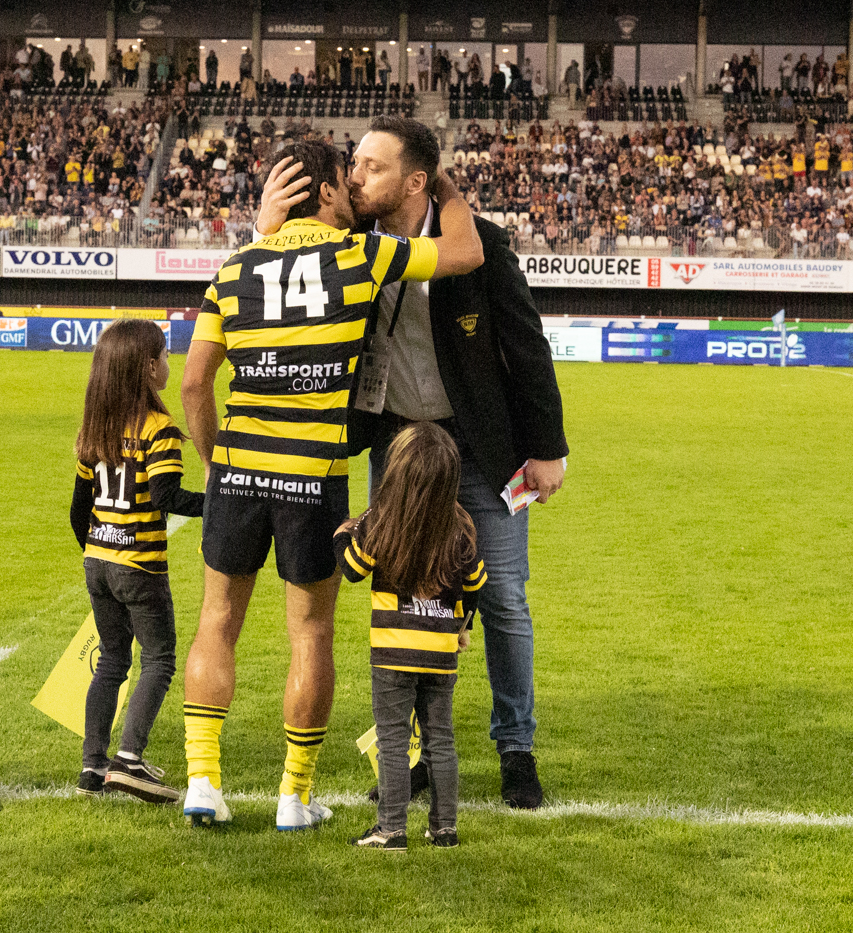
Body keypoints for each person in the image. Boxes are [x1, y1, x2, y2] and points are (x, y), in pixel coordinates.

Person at [256, 116, 568, 808]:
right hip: (397, 449)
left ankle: (516, 747)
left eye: (370, 166)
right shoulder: (348, 244)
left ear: (416, 181)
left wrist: (548, 448)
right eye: (354, 164)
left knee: (504, 599)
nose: (354, 175)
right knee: (405, 601)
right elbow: (270, 283)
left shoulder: (480, 243)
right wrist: (266, 226)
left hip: (482, 450)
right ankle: (419, 755)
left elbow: (527, 346)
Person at [179, 140, 484, 831]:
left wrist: (214, 459)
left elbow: (194, 381)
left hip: (239, 468)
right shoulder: (362, 256)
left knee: (216, 623)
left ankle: (203, 780)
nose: (356, 197)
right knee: (310, 634)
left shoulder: (234, 268)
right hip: (311, 476)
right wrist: (441, 185)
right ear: (323, 194)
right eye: (346, 188)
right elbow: (464, 253)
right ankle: (294, 796)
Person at [70, 319, 205, 803]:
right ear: (149, 368)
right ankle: (129, 760)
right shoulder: (159, 430)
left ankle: (92, 765)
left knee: (111, 660)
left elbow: (77, 511)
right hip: (140, 564)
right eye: (166, 355)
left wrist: (97, 550)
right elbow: (166, 496)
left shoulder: (96, 426)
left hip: (97, 561)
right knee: (160, 658)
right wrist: (223, 502)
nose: (170, 362)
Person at [337, 422, 486, 852]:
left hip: (392, 654)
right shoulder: (460, 528)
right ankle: (445, 829)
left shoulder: (382, 522)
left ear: (395, 474)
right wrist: (462, 626)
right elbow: (476, 584)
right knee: (441, 738)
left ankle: (391, 828)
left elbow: (351, 567)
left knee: (394, 740)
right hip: (441, 653)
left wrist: (345, 530)